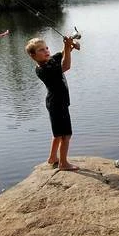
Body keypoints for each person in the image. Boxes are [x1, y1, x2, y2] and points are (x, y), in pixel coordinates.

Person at [25, 37, 79, 171]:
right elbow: (66, 66)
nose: (46, 51)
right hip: (57, 104)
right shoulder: (44, 68)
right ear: (33, 55)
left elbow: (62, 54)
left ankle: (53, 158)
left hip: (56, 102)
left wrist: (71, 46)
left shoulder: (49, 61)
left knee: (57, 134)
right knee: (66, 134)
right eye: (41, 50)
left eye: (46, 48)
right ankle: (63, 163)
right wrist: (67, 47)